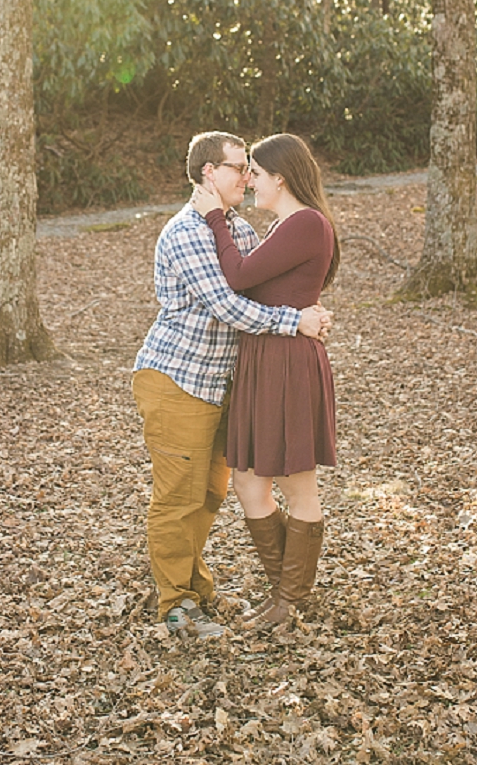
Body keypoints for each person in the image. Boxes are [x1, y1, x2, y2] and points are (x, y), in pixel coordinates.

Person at [132, 131, 332, 640]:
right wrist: (295, 321)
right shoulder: (186, 231)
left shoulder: (236, 226)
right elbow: (229, 303)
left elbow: (263, 274)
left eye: (251, 168)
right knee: (178, 498)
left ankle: (209, 589)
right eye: (237, 166)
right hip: (179, 377)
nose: (246, 175)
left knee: (209, 496)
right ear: (207, 174)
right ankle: (177, 605)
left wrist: (302, 311)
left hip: (222, 382)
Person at [191, 132, 340, 627]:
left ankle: (288, 600)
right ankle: (286, 592)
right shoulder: (283, 226)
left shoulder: (306, 224)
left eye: (255, 171)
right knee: (250, 483)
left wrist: (215, 215)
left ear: (280, 177)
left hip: (289, 365)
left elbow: (237, 276)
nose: (249, 179)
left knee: (298, 487)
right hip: (262, 360)